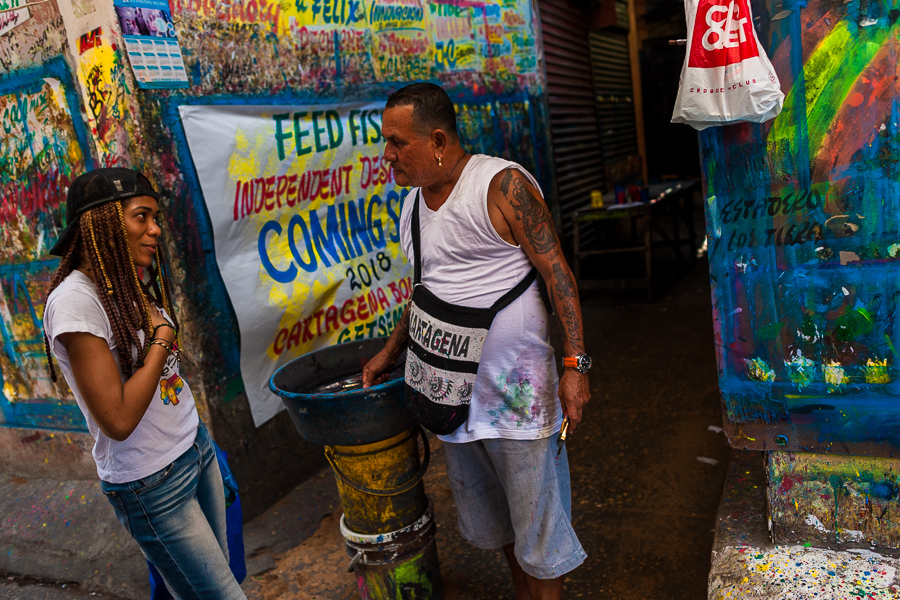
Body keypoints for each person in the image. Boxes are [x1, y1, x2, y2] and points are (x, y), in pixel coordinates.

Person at [363, 83, 591, 599]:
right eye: (386, 142)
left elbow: (558, 275)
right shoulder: (412, 210)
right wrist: (390, 351)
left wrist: (576, 365)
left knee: (539, 534)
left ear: (437, 139)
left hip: (519, 399)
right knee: (503, 531)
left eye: (398, 142)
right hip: (453, 402)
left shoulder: (500, 185)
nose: (388, 154)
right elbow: (427, 294)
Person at [42, 168, 246, 600]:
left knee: (211, 583)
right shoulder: (75, 302)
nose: (155, 229)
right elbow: (117, 419)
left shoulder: (121, 277)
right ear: (103, 223)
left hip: (195, 449)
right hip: (152, 483)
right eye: (142, 216)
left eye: (155, 217)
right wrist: (161, 338)